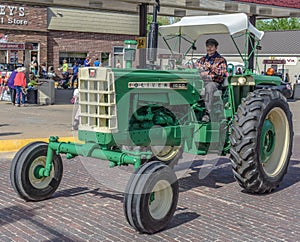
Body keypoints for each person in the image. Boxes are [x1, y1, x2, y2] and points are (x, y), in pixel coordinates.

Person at [197, 38, 227, 122]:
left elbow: (222, 73)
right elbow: (195, 69)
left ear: (216, 47)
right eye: (207, 46)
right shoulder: (201, 60)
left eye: (211, 46)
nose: (209, 48)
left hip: (214, 82)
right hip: (201, 82)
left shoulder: (221, 60)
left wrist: (211, 67)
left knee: (209, 87)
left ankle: (207, 113)